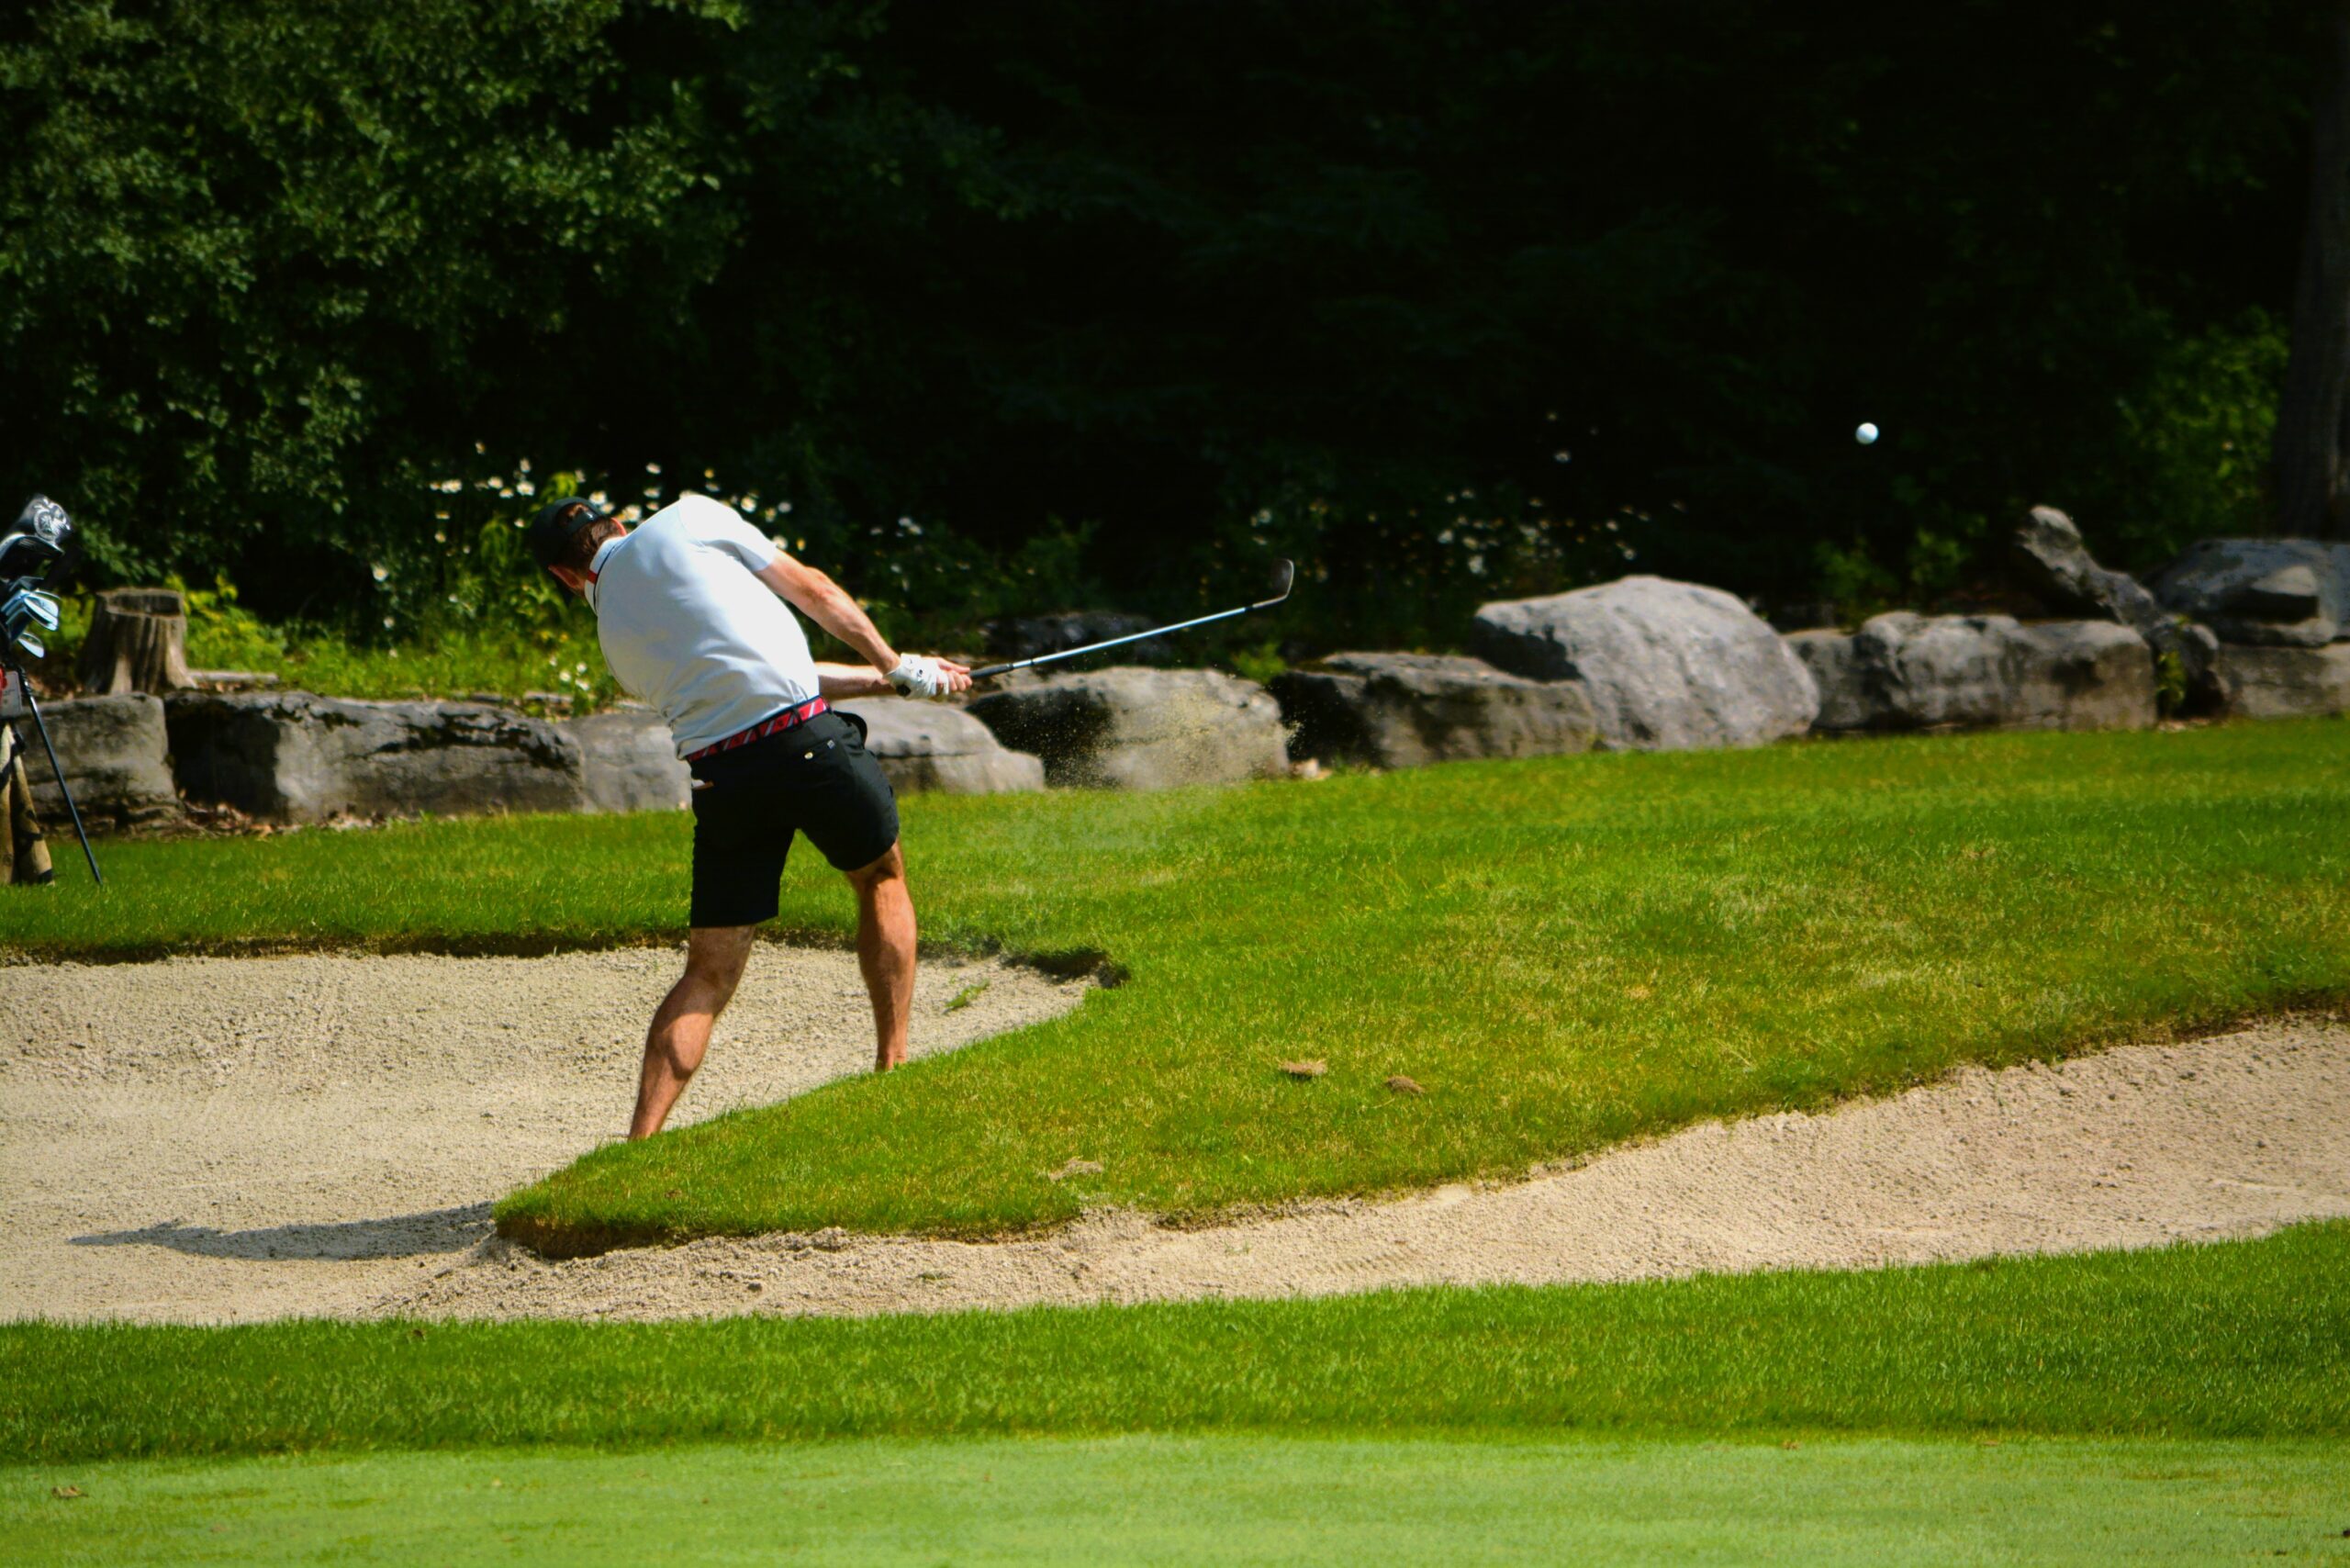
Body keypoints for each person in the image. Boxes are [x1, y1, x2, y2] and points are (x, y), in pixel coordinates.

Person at [530, 491, 970, 1138]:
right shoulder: (688, 518)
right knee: (879, 876)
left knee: (708, 971)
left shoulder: (615, 642)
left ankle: (640, 1143)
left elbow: (757, 680)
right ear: (618, 523)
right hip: (808, 744)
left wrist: (887, 681)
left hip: (723, 777)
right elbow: (813, 591)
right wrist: (893, 661)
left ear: (564, 577)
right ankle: (893, 1068)